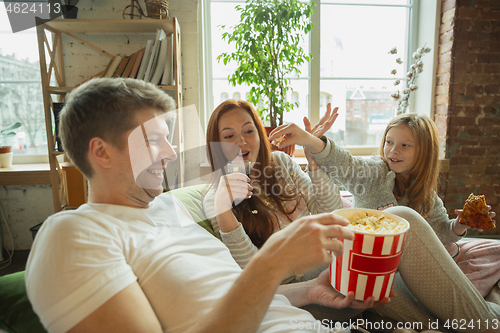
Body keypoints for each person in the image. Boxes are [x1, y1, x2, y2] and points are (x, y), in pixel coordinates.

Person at [25, 78, 389, 333]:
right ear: (101, 151)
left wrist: (307, 291)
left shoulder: (172, 210)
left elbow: (229, 294)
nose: (169, 153)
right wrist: (273, 262)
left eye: (168, 140)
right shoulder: (74, 233)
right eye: (154, 140)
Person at [268, 104, 500, 328]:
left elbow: (443, 231)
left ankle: (481, 320)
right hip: (357, 269)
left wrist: (461, 224)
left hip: (389, 275)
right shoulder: (375, 173)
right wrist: (308, 140)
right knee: (399, 219)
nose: (393, 150)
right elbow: (346, 164)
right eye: (388, 142)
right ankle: (486, 321)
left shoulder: (427, 196)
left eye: (405, 145)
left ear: (424, 152)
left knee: (432, 306)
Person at [202, 99, 343, 274]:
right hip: (296, 282)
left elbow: (332, 213)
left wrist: (313, 158)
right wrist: (223, 208)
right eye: (229, 136)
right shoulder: (216, 200)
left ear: (259, 135)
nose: (241, 141)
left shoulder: (281, 162)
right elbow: (252, 270)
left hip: (329, 259)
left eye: (248, 131)